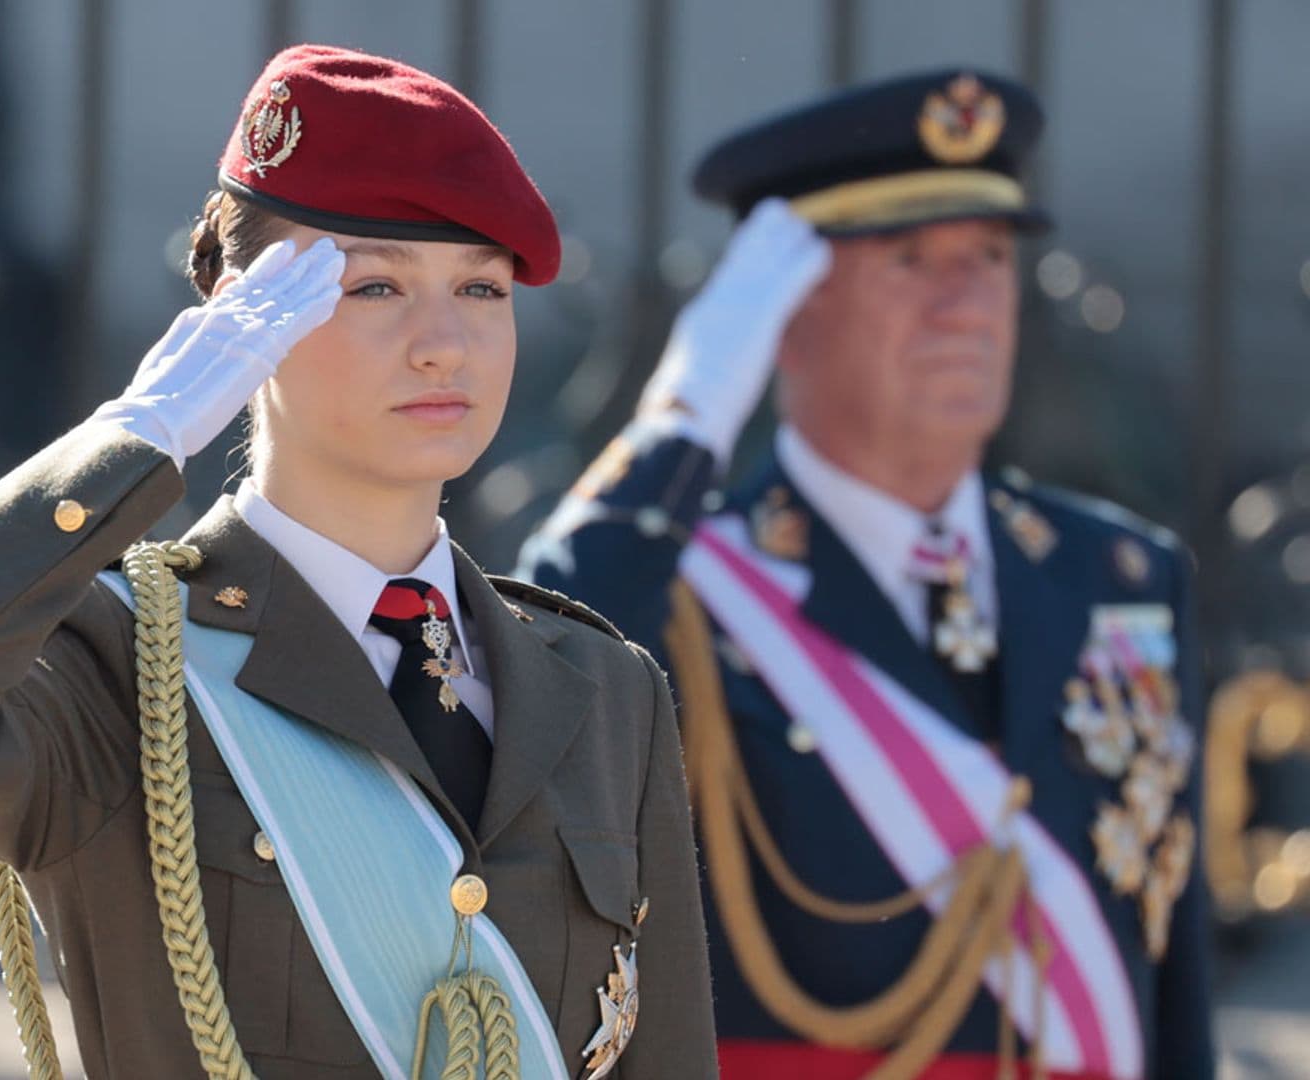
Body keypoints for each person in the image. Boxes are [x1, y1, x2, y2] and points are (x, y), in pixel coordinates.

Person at [0, 44, 715, 1079]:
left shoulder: (600, 687)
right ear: (243, 318)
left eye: (481, 288)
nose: (443, 344)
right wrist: (138, 438)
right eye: (374, 288)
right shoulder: (120, 659)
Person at [520, 70, 1213, 1078]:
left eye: (987, 258)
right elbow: (544, 673)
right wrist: (684, 419)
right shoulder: (677, 592)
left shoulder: (1120, 575)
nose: (966, 302)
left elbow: (1170, 964)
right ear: (785, 314)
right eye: (910, 259)